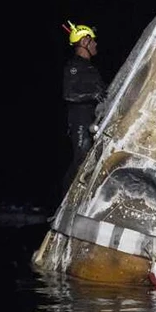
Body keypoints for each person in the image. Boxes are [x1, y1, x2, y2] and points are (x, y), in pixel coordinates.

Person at [61, 20, 106, 190]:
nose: (95, 44)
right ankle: (63, 201)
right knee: (81, 158)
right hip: (80, 120)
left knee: (94, 159)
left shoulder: (90, 68)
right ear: (84, 42)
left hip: (93, 119)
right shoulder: (74, 66)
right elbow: (69, 94)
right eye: (92, 40)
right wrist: (92, 95)